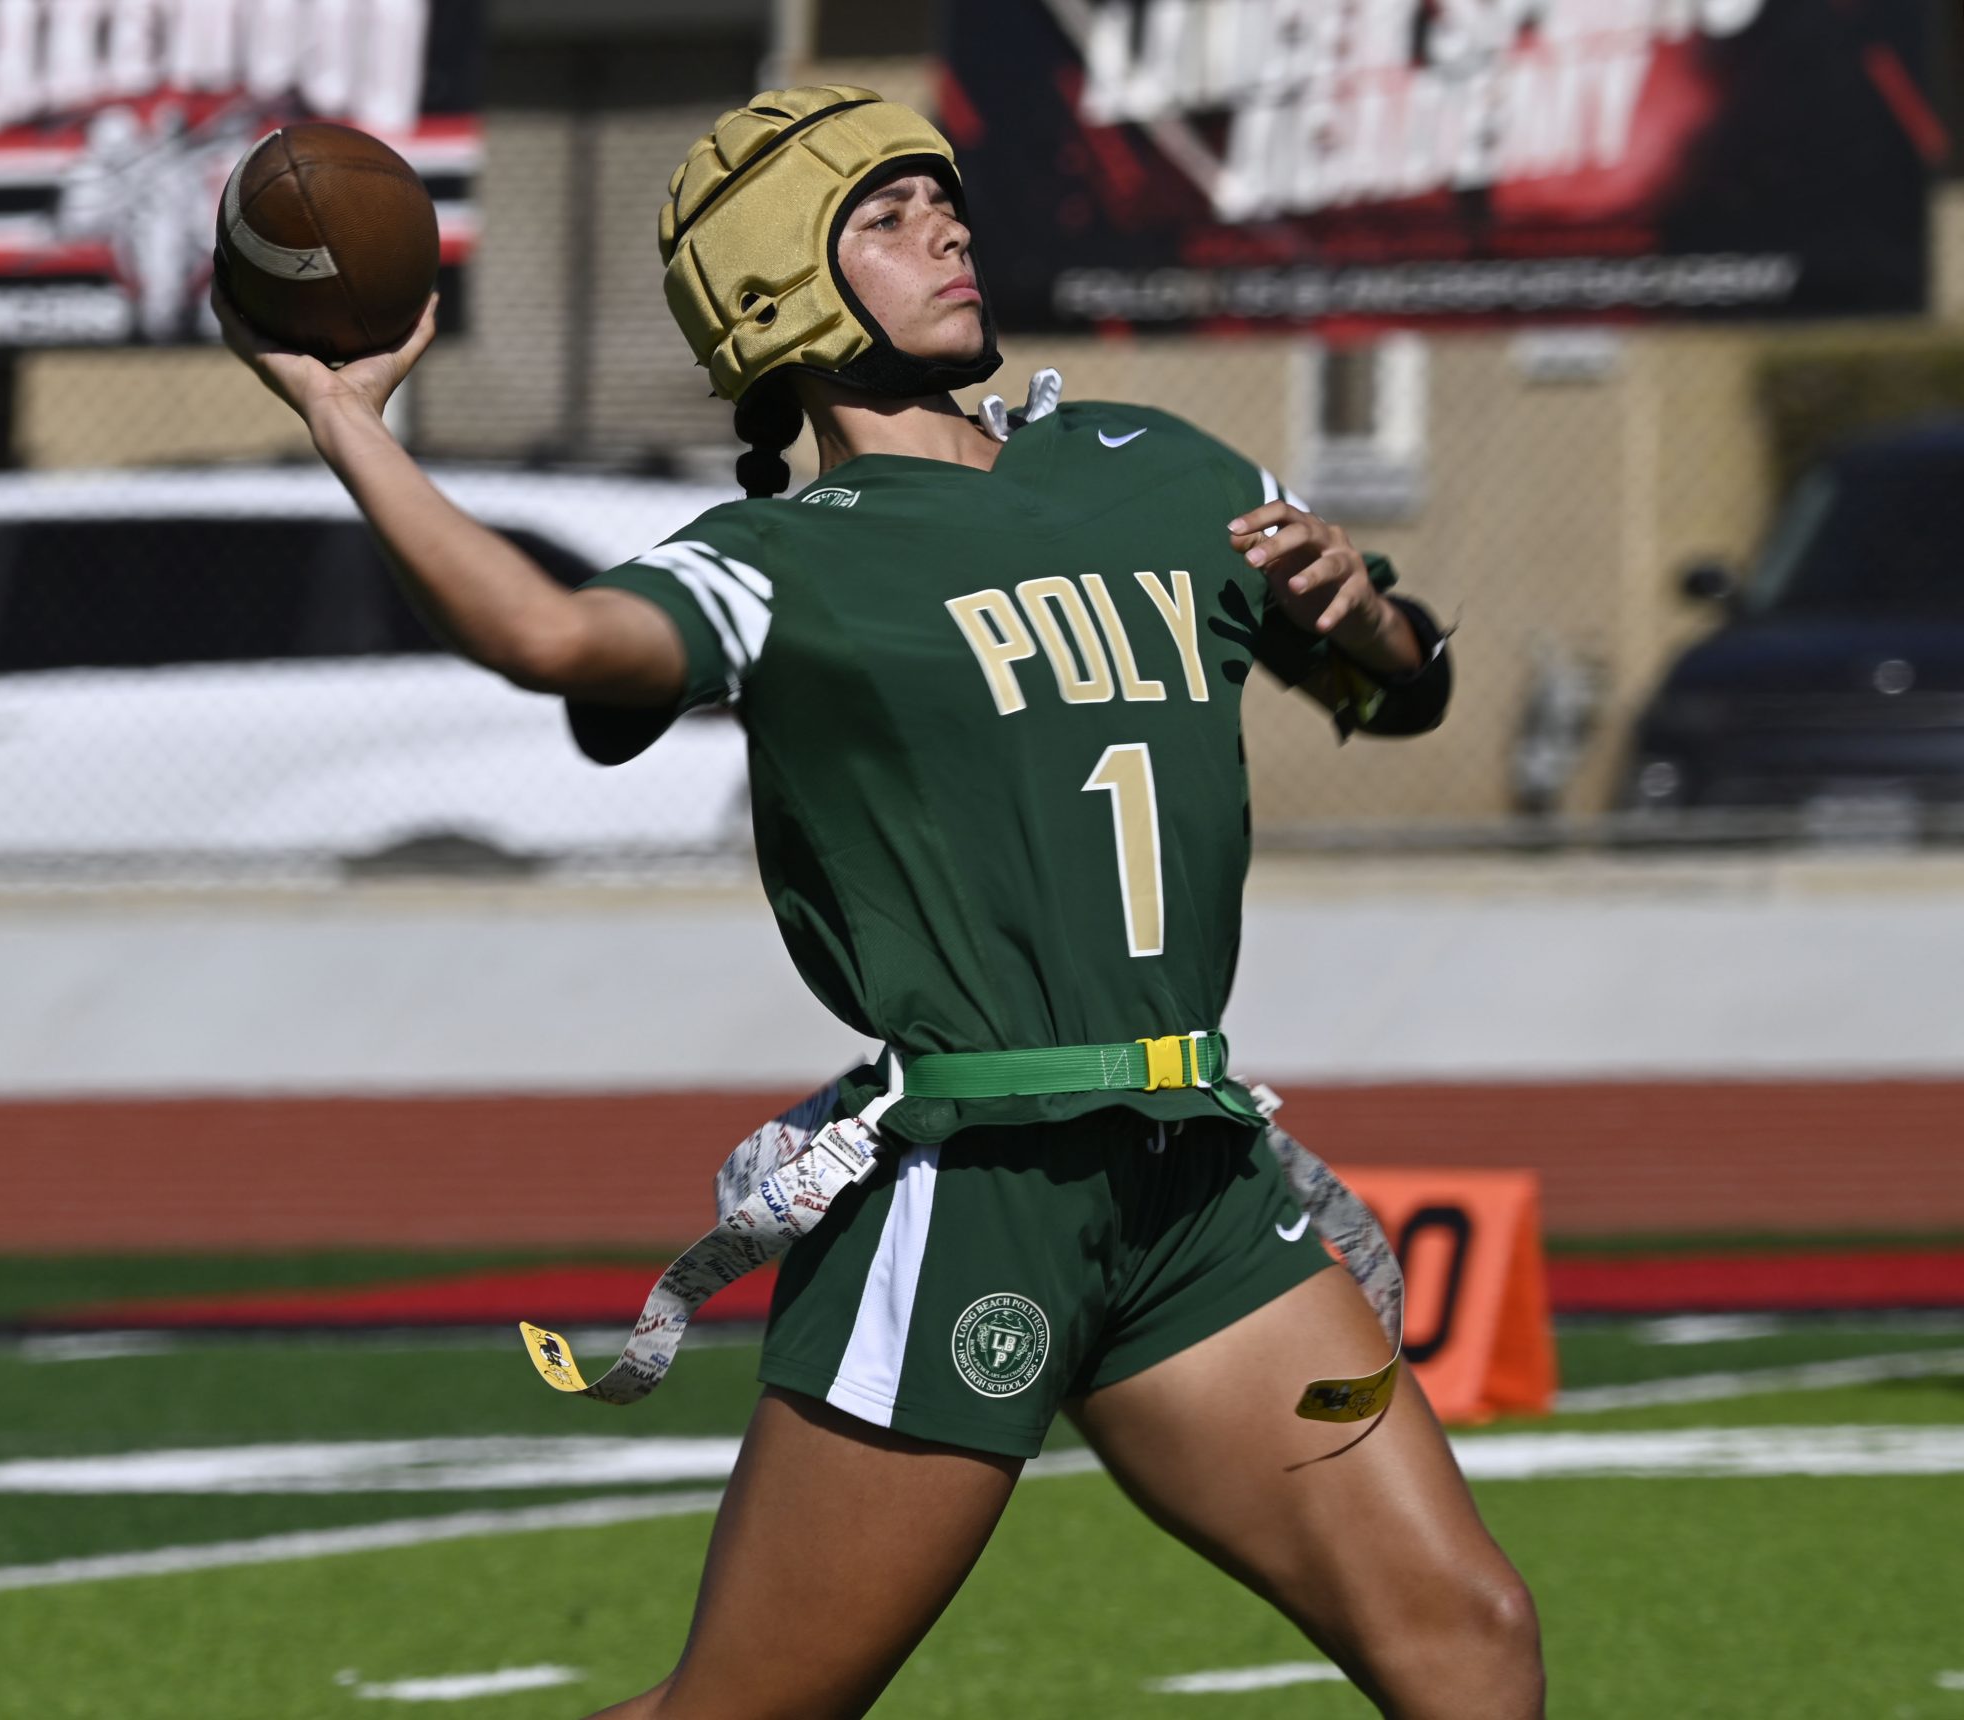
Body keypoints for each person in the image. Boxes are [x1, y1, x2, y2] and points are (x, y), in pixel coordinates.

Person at [212, 84, 1540, 1720]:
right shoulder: (786, 559)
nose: (948, 230)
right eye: (888, 217)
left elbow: (1400, 690)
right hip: (975, 1186)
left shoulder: (1155, 465)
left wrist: (1372, 619)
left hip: (1192, 1171)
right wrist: (348, 421)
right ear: (779, 283)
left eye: (945, 201)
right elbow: (549, 640)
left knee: (1470, 1635)